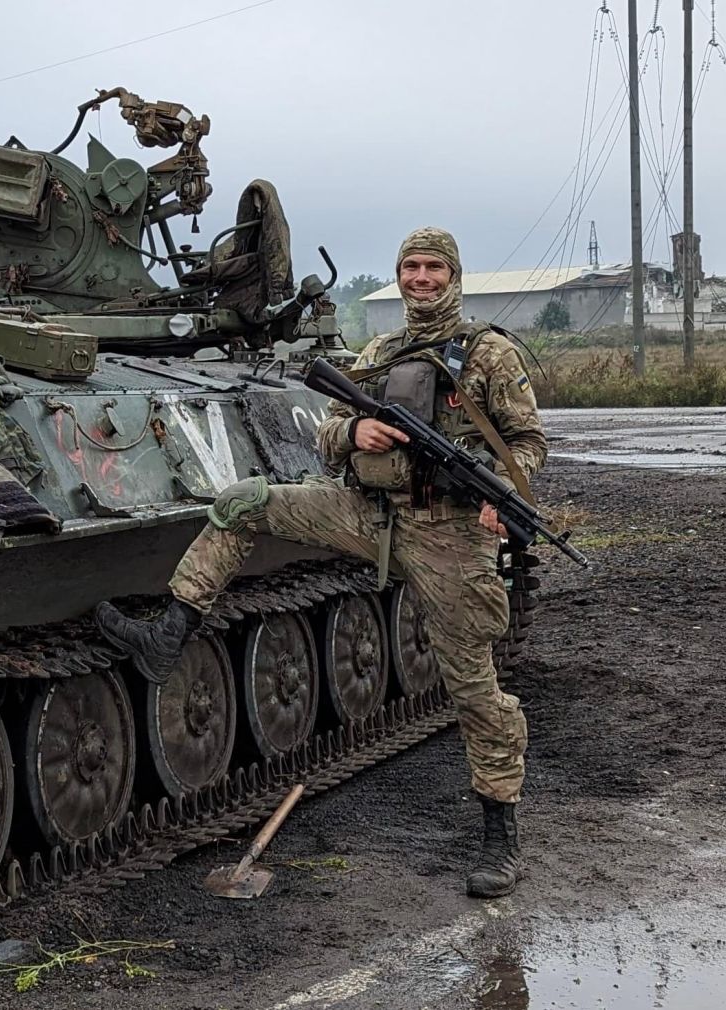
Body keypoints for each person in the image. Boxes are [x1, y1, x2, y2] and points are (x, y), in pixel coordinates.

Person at [96, 227, 547, 898]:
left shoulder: (487, 353)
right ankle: (171, 630)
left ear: (454, 275)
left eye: (433, 268)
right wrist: (354, 431)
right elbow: (329, 431)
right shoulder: (382, 350)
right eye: (410, 267)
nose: (421, 278)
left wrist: (505, 497)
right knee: (243, 501)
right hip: (366, 513)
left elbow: (529, 442)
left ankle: (499, 837)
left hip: (450, 533)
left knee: (475, 690)